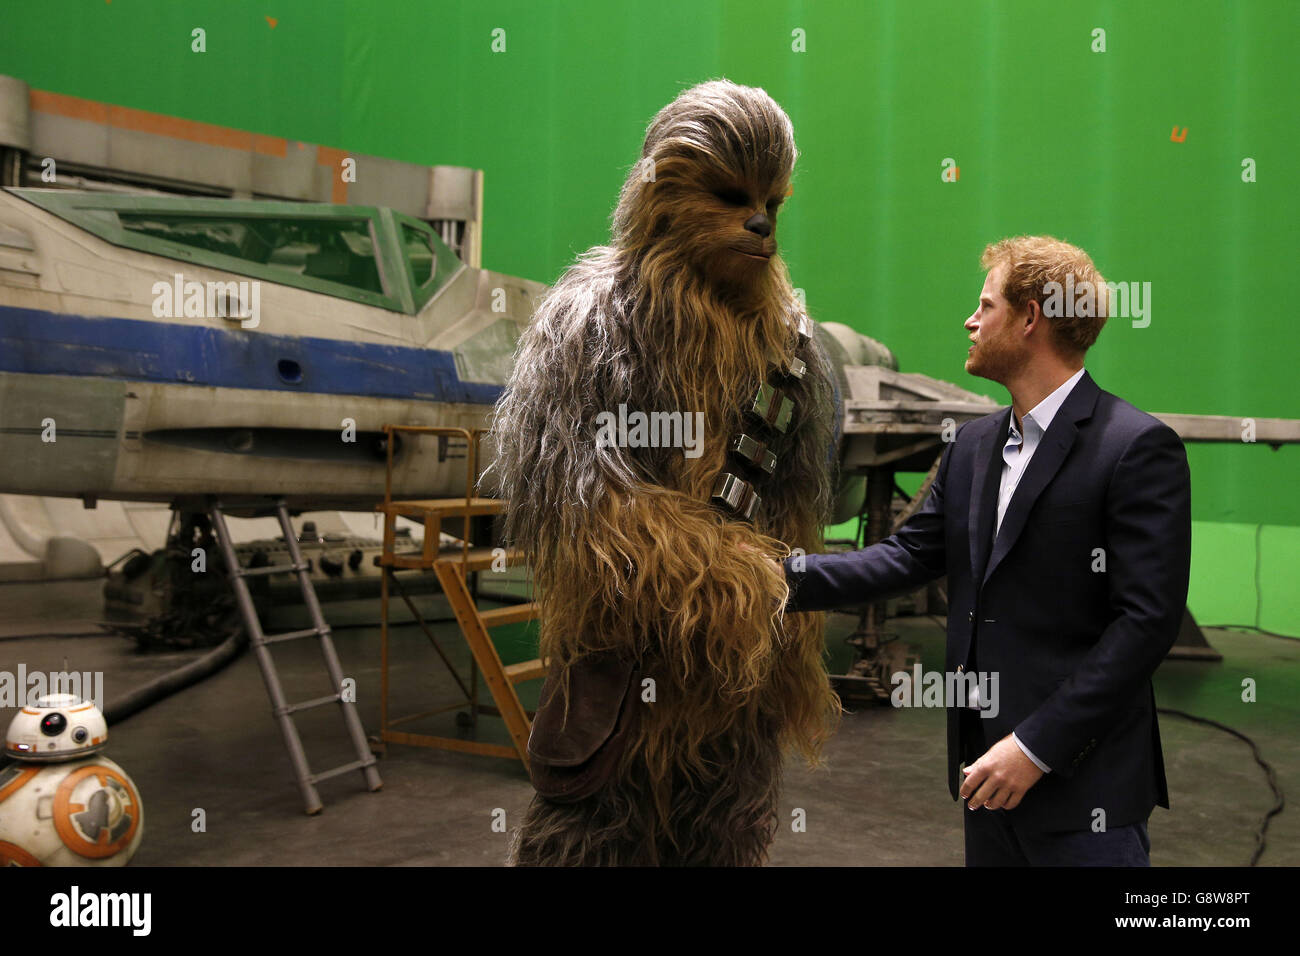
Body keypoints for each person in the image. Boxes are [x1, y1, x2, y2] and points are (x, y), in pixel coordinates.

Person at [781, 236, 1191, 865]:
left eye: (985, 305)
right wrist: (771, 578)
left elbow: (1145, 624)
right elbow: (907, 557)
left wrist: (1033, 748)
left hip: (1085, 795)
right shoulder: (972, 446)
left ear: (1031, 318)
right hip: (983, 780)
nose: (970, 321)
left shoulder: (1135, 448)